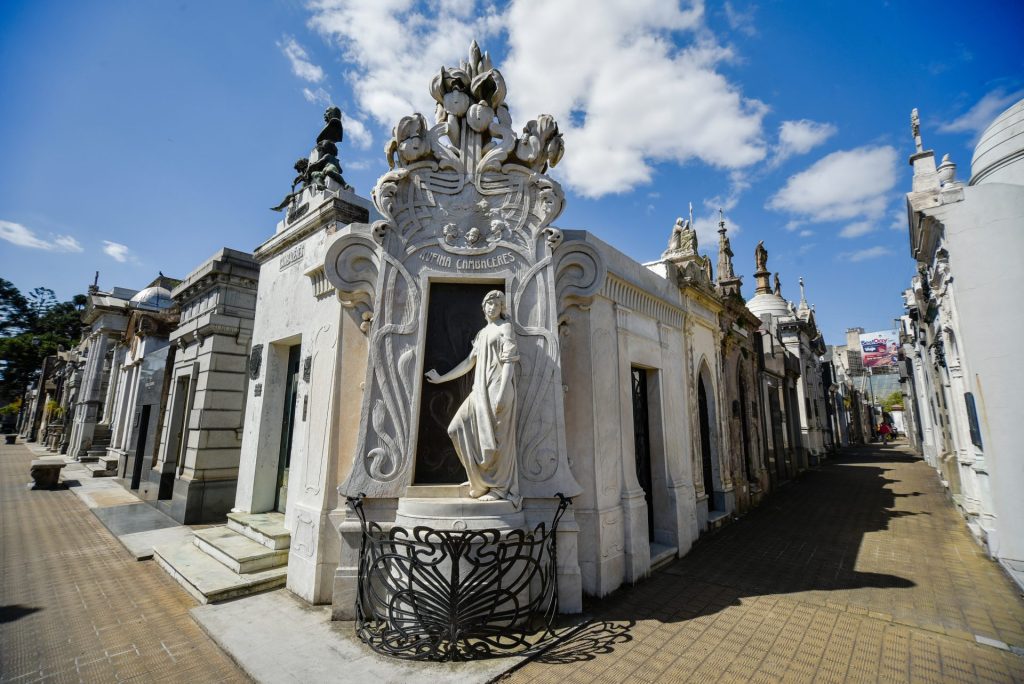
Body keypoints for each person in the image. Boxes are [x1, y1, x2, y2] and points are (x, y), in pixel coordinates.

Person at [425, 291, 520, 505]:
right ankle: (478, 482)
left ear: (502, 307)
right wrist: (441, 379)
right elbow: (469, 362)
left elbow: (509, 362)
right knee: (455, 429)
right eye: (489, 303)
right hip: (480, 390)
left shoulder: (505, 328)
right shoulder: (482, 333)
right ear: (483, 307)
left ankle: (499, 488)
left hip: (498, 388)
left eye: (497, 304)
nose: (493, 307)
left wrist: (504, 390)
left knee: (498, 441)